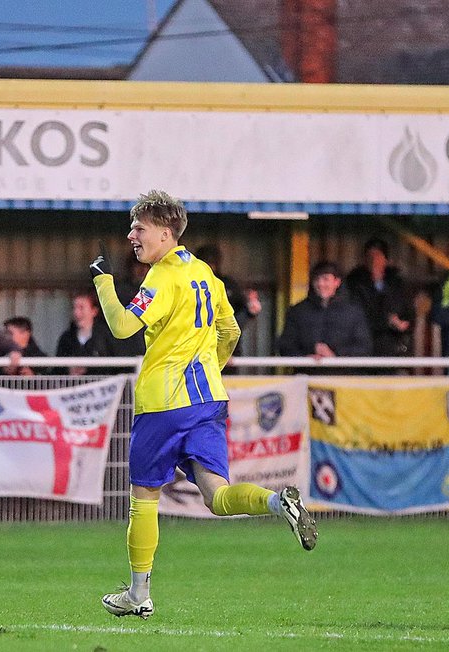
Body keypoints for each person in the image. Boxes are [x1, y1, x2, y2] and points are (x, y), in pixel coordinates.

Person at [90, 189, 316, 619]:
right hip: (209, 399)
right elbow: (230, 330)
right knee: (216, 494)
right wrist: (208, 367)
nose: (131, 235)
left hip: (163, 403)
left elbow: (121, 327)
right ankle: (276, 502)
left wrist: (102, 279)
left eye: (138, 228)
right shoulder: (206, 274)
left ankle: (138, 593)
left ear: (163, 231)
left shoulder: (161, 277)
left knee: (144, 495)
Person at [277, 261, 373, 371]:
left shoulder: (354, 312)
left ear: (337, 282)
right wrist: (305, 358)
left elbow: (364, 347)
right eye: (317, 279)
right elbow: (285, 346)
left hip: (344, 380)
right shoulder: (297, 311)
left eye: (325, 279)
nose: (320, 284)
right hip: (307, 378)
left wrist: (335, 354)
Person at [345, 238, 413, 362]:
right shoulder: (354, 284)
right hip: (363, 351)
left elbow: (409, 314)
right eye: (369, 256)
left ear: (386, 260)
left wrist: (404, 325)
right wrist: (387, 321)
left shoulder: (397, 284)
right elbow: (355, 316)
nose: (373, 261)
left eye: (377, 256)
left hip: (393, 350)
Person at [194, 243, 261, 357]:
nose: (210, 266)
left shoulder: (226, 285)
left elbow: (238, 318)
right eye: (206, 262)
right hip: (195, 351)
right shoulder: (189, 285)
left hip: (227, 353)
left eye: (212, 262)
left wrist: (251, 310)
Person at [54, 291, 124, 375]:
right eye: (74, 308)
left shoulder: (107, 336)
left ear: (94, 311)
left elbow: (119, 365)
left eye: (81, 308)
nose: (76, 312)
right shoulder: (66, 338)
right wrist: (69, 370)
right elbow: (57, 368)